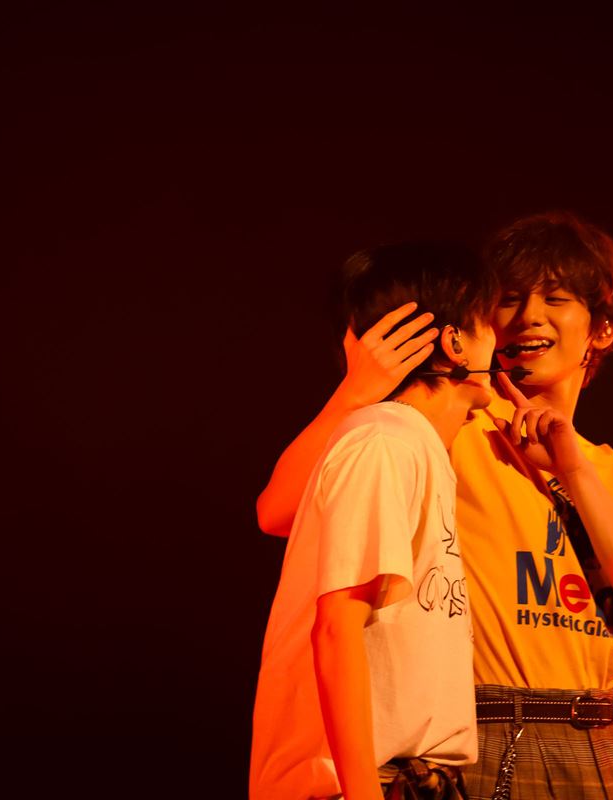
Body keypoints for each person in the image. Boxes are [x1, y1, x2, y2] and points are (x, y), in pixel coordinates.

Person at [256, 212, 613, 800]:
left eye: (555, 298)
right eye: (509, 299)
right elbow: (283, 510)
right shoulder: (453, 424)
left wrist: (572, 470)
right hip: (484, 729)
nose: (528, 316)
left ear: (603, 328)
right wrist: (356, 390)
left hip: (598, 732)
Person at [249, 241, 500, 800]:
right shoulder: (386, 441)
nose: (499, 341)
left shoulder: (414, 444)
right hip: (366, 785)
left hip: (410, 781)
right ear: (455, 342)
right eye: (486, 322)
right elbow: (336, 627)